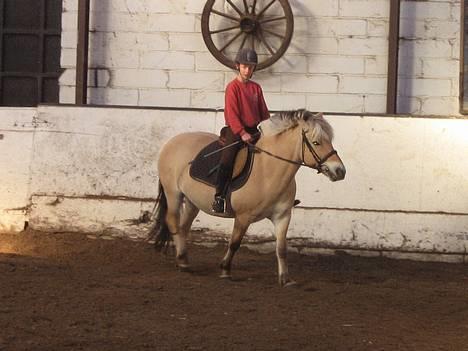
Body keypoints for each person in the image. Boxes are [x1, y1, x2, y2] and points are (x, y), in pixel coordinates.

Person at [212, 48, 270, 213]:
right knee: (228, 159)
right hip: (236, 130)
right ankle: (219, 196)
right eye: (244, 66)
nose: (247, 70)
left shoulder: (256, 88)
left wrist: (268, 128)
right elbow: (232, 113)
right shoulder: (233, 87)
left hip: (254, 130)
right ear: (238, 66)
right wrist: (242, 132)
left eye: (251, 67)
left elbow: (264, 112)